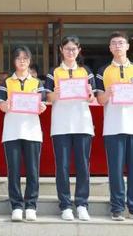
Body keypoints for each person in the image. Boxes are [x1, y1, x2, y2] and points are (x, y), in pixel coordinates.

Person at [95, 31, 133, 221]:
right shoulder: (103, 71)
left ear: (127, 46)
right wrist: (108, 93)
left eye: (121, 43)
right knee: (115, 170)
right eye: (114, 43)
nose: (117, 46)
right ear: (110, 48)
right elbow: (100, 100)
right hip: (113, 126)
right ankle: (117, 207)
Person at [45, 36, 95, 221]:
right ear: (61, 50)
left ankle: (82, 204)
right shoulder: (54, 72)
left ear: (79, 50)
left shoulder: (86, 72)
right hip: (61, 125)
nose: (70, 52)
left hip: (82, 123)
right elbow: (47, 97)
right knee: (63, 166)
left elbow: (93, 98)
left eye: (74, 49)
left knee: (83, 166)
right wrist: (55, 94)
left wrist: (90, 95)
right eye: (67, 48)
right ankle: (65, 205)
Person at [0, 46, 46, 222]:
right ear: (14, 61)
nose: (22, 61)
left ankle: (31, 205)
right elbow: (1, 105)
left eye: (25, 58)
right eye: (18, 58)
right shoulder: (6, 82)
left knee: (33, 171)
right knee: (14, 171)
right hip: (12, 131)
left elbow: (42, 104)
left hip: (32, 132)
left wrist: (41, 107)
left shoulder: (37, 83)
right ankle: (16, 206)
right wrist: (6, 105)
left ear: (30, 61)